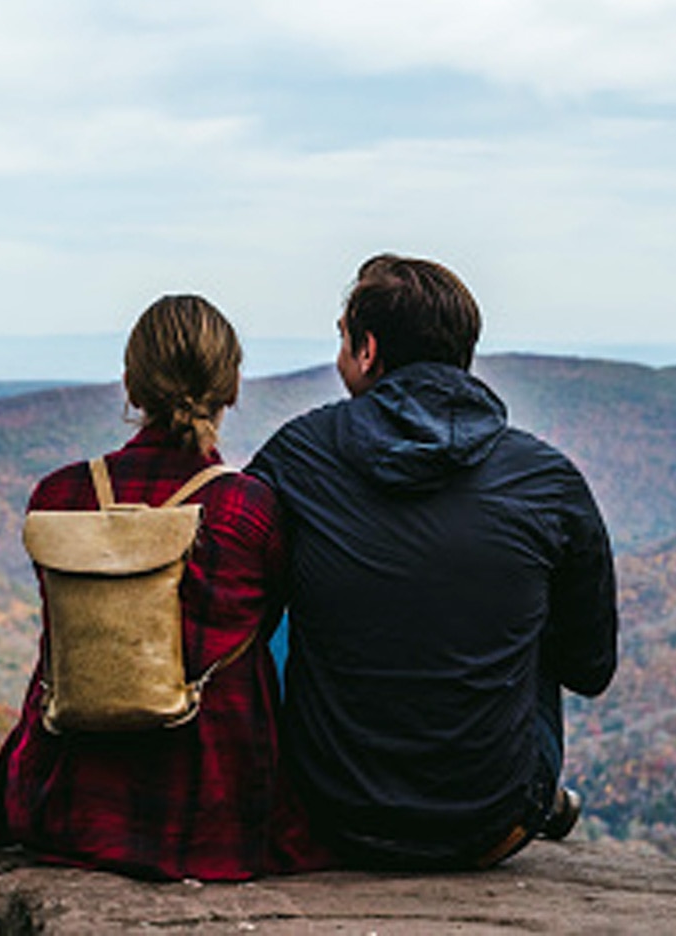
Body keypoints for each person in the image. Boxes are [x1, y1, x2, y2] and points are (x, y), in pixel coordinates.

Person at [247, 254, 618, 870]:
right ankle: (530, 792)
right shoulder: (547, 479)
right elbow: (589, 666)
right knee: (522, 601)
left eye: (342, 337)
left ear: (367, 350)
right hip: (492, 823)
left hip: (330, 811)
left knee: (282, 578)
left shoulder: (298, 457)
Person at [0, 294, 320, 880]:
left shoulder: (59, 497)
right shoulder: (250, 509)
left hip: (71, 803)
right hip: (216, 812)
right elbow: (268, 625)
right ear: (233, 388)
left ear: (129, 385)